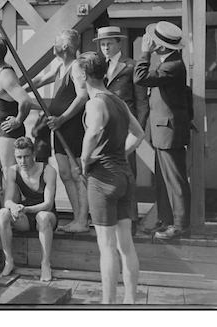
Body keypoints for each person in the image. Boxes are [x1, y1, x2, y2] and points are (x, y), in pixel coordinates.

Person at [79, 51, 145, 304]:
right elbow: (138, 134)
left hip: (103, 179)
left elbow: (93, 132)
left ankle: (108, 307)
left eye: (76, 73)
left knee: (106, 247)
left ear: (84, 75)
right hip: (124, 175)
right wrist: (119, 154)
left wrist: (86, 161)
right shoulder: (118, 100)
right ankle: (130, 303)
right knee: (125, 245)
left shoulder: (95, 102)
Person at [134, 22, 191, 240]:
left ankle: (180, 225)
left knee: (174, 180)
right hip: (164, 130)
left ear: (160, 46)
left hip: (168, 131)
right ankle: (167, 220)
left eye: (153, 42)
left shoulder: (172, 66)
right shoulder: (169, 62)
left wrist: (144, 53)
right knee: (163, 179)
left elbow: (140, 78)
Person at [31, 29, 89, 233]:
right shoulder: (59, 65)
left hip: (72, 125)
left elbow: (82, 96)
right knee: (64, 173)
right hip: (59, 126)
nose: (53, 46)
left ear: (65, 46)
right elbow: (38, 80)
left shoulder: (76, 67)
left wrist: (63, 118)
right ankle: (76, 218)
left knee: (76, 173)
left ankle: (83, 220)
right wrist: (16, 88)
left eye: (56, 42)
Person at [94, 26, 149, 230]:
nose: (105, 47)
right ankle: (107, 216)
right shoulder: (98, 67)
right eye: (102, 44)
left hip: (126, 127)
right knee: (103, 169)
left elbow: (142, 101)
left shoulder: (131, 66)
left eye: (109, 43)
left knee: (127, 170)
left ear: (119, 43)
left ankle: (130, 217)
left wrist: (138, 130)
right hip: (103, 127)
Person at [0, 137, 57, 281]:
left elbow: (48, 204)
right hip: (26, 215)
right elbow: (7, 200)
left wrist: (27, 209)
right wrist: (13, 206)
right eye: (19, 157)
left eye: (26, 156)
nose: (23, 161)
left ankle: (45, 264)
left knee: (42, 216)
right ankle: (9, 261)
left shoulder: (48, 170)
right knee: (3, 213)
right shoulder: (13, 171)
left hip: (47, 216)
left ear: (33, 154)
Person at [0, 36, 32, 185]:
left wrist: (18, 120)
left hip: (8, 131)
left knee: (9, 172)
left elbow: (26, 101)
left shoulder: (5, 75)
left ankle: (11, 206)